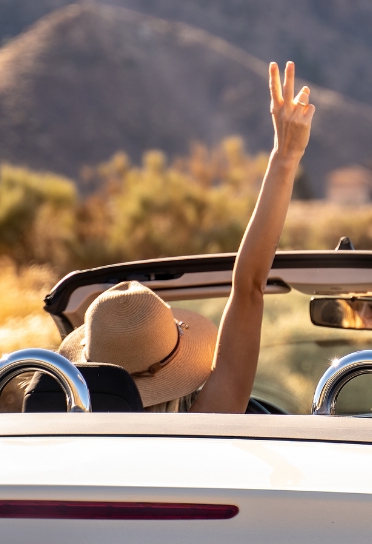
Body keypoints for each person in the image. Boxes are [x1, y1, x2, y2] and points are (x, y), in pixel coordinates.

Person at [48, 62, 315, 413]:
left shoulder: (62, 447)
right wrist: (285, 156)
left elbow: (249, 287)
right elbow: (248, 284)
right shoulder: (207, 425)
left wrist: (284, 158)